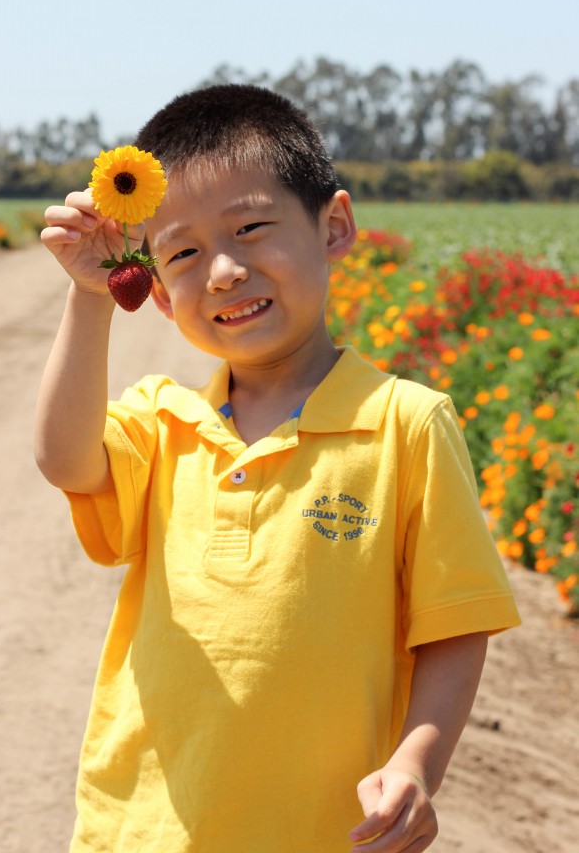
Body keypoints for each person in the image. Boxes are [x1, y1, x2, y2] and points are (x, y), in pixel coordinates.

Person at [35, 84, 521, 853]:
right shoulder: (164, 421)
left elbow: (455, 628)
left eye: (251, 229)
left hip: (324, 833)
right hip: (143, 829)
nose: (224, 271)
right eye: (183, 254)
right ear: (155, 292)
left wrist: (415, 765)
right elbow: (64, 458)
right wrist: (90, 299)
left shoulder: (405, 424)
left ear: (334, 226)